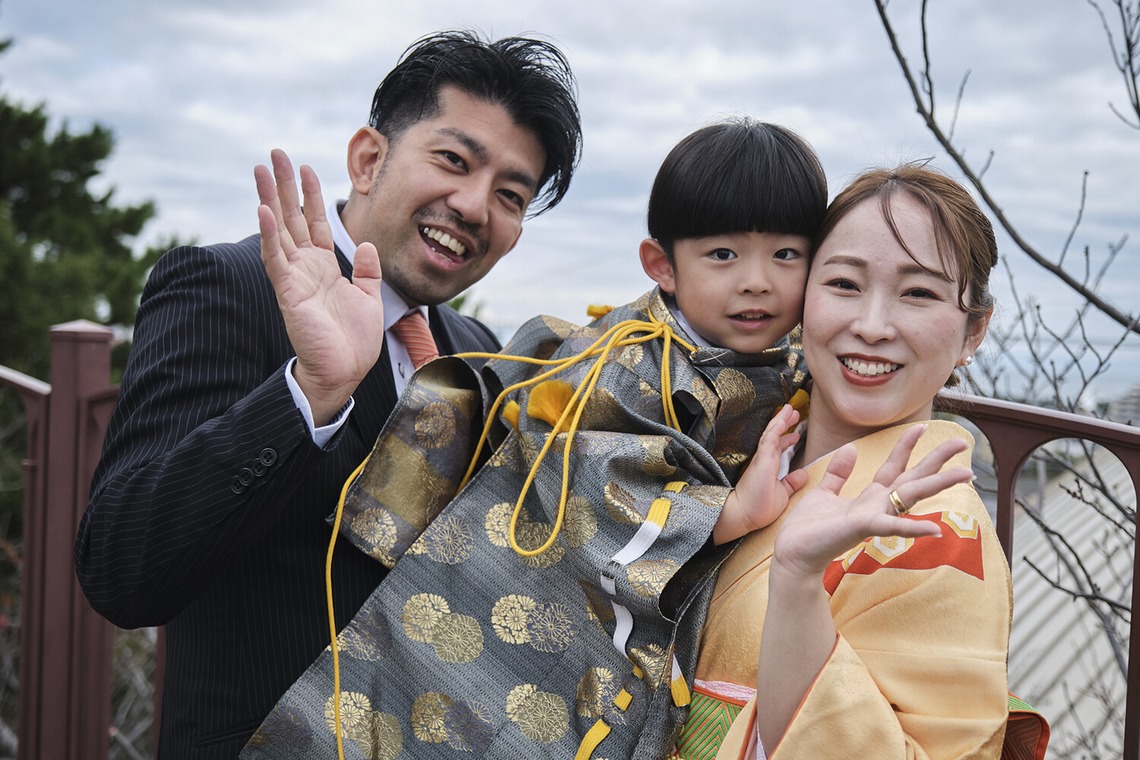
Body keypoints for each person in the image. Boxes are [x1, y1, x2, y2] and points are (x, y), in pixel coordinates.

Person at [240, 119, 828, 758]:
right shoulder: (623, 358)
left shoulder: (797, 364)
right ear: (662, 265)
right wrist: (721, 513)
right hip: (511, 595)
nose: (757, 281)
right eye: (722, 255)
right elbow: (581, 468)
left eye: (786, 255)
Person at [74, 30, 582, 759]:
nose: (473, 206)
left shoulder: (474, 350)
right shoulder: (230, 287)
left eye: (510, 195)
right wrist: (310, 393)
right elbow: (121, 570)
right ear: (369, 159)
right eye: (452, 161)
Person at [673, 163, 1018, 759]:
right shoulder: (733, 439)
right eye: (843, 284)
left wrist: (800, 583)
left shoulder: (940, 531)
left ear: (972, 332)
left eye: (919, 293)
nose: (872, 325)